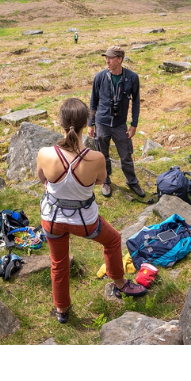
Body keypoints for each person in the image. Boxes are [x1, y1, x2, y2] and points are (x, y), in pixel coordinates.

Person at [36, 98, 147, 324]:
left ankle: (62, 309)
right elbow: (100, 180)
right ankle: (119, 283)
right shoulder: (95, 157)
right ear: (86, 122)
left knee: (59, 262)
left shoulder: (45, 153)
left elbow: (42, 179)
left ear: (60, 122)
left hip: (52, 219)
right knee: (114, 240)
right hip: (84, 221)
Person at [89, 46, 145, 198]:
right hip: (102, 123)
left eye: (111, 58)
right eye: (106, 57)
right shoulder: (100, 77)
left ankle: (132, 182)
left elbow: (136, 102)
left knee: (126, 155)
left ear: (120, 59)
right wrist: (90, 124)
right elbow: (93, 101)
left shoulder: (132, 77)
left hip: (120, 124)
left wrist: (134, 124)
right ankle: (106, 181)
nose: (107, 61)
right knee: (103, 155)